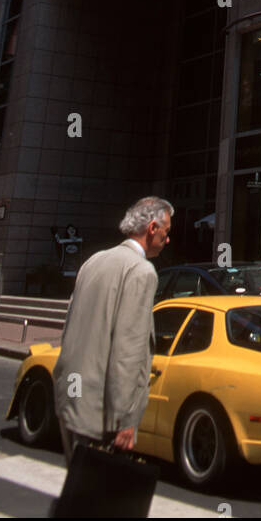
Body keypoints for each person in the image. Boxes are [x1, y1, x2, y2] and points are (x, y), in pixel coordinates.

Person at [53, 196, 172, 461]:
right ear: (152, 228)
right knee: (98, 498)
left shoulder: (93, 262)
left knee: (78, 490)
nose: (168, 240)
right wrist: (125, 419)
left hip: (71, 403)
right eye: (166, 232)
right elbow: (128, 351)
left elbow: (70, 328)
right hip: (102, 416)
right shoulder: (142, 271)